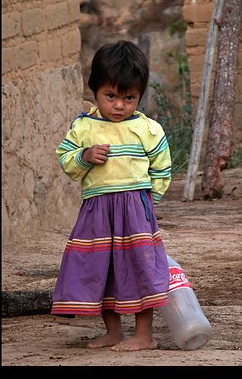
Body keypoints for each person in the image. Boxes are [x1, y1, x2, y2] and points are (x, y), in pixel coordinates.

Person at [51, 40, 172, 352]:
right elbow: (65, 159)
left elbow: (162, 166)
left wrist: (150, 203)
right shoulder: (83, 126)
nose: (120, 105)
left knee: (139, 267)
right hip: (97, 212)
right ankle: (113, 331)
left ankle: (144, 335)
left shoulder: (147, 128)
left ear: (140, 95)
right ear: (94, 89)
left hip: (135, 211)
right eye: (111, 96)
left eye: (129, 98)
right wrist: (85, 156)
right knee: (100, 267)